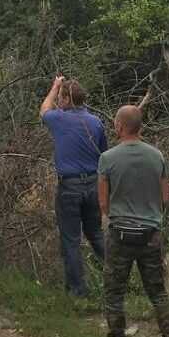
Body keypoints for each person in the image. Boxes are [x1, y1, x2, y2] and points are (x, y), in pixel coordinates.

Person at [97, 105, 169, 337]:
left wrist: (117, 216)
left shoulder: (108, 159)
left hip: (120, 234)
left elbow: (102, 203)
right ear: (141, 126)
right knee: (157, 291)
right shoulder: (158, 157)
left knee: (114, 292)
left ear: (120, 126)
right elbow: (166, 199)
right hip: (150, 234)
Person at [39, 75, 108, 296]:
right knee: (96, 233)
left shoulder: (59, 119)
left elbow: (43, 110)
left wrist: (54, 86)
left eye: (61, 97)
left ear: (67, 99)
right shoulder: (96, 122)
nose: (58, 100)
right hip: (92, 183)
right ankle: (118, 277)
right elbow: (103, 155)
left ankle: (77, 293)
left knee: (70, 241)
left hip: (69, 187)